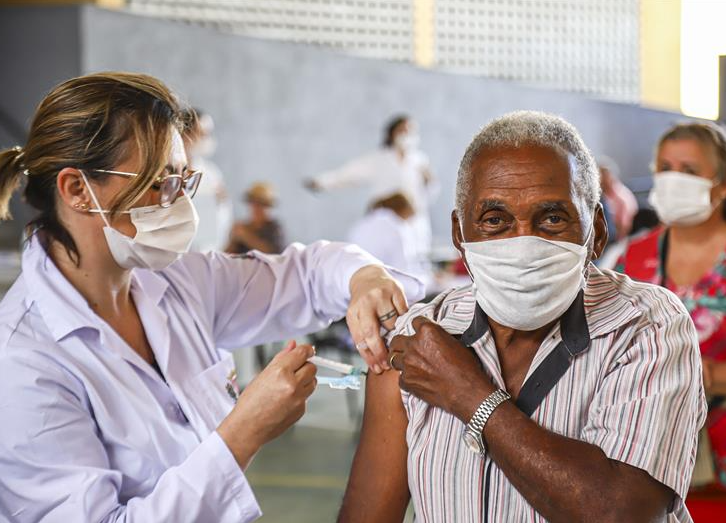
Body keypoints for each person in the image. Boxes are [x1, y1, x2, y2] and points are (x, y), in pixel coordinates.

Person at [0, 72, 424, 522]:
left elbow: (305, 274)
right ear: (78, 190)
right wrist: (243, 431)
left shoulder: (177, 281)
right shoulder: (23, 362)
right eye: (159, 183)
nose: (180, 203)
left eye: (185, 181)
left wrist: (363, 276)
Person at [340, 111, 706, 522]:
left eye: (552, 219)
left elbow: (624, 513)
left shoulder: (645, 326)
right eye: (495, 220)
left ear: (597, 232)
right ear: (460, 234)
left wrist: (469, 394)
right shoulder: (420, 339)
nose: (524, 244)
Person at [615, 122, 726, 522]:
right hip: (643, 461)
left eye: (688, 170)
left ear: (722, 185)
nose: (672, 180)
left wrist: (689, 374)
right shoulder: (633, 258)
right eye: (665, 168)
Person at [305, 114, 437, 258]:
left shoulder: (420, 161)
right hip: (386, 219)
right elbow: (350, 173)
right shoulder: (379, 159)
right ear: (392, 133)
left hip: (413, 224)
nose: (406, 135)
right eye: (402, 130)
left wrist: (430, 182)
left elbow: (429, 195)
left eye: (410, 131)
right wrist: (322, 182)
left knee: (414, 262)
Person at [347, 192, 431, 288]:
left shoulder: (360, 225)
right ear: (404, 211)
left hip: (356, 286)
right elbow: (403, 272)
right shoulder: (397, 227)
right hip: (385, 288)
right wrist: (430, 281)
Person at [181, 107, 233, 252]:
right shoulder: (166, 169)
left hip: (206, 251)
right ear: (185, 134)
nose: (206, 139)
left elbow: (224, 215)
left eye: (208, 134)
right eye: (202, 134)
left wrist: (219, 203)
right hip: (174, 254)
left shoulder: (211, 172)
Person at [226, 181, 286, 254]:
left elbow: (274, 252)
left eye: (261, 204)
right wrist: (233, 238)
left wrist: (245, 235)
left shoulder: (275, 228)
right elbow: (228, 254)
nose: (257, 208)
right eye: (254, 203)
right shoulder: (244, 227)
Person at [598, 155, 638, 240]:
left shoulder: (621, 198)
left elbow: (624, 228)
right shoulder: (602, 195)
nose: (600, 180)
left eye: (603, 176)